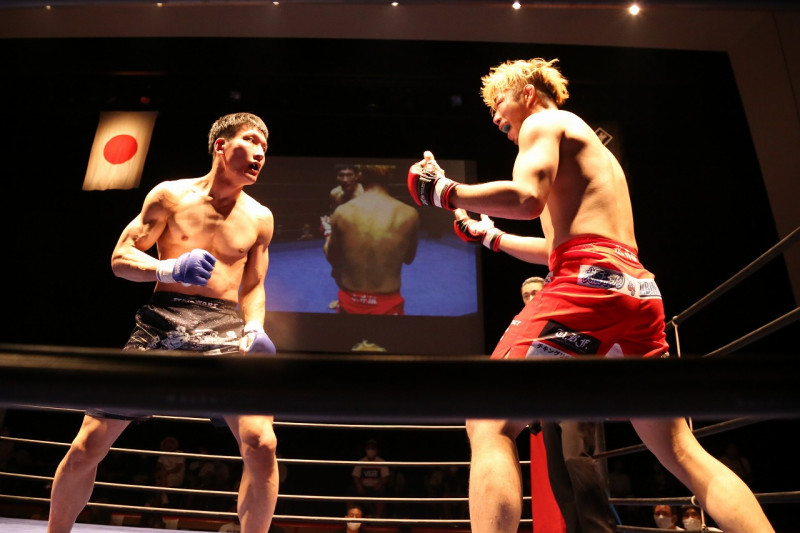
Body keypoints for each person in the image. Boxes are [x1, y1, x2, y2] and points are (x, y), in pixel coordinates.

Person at [407, 58, 773, 533]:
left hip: (590, 284)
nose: (495, 116)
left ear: (528, 93)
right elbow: (558, 248)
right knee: (683, 451)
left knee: (488, 417)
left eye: (499, 101)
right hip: (637, 289)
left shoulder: (543, 123)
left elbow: (526, 199)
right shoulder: (586, 149)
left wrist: (445, 191)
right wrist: (490, 236)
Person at [47, 112, 279, 533]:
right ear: (221, 146)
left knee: (262, 444)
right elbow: (120, 258)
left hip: (225, 327)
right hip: (163, 320)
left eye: (265, 145)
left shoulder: (260, 217)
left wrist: (254, 327)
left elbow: (253, 285)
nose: (260, 152)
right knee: (88, 444)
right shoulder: (170, 196)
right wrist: (168, 268)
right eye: (251, 140)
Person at [456, 217, 617, 532]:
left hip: (574, 391)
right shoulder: (528, 320)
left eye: (535, 292)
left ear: (547, 285)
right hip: (546, 403)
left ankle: (601, 529)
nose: (530, 297)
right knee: (559, 476)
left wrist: (486, 230)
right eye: (526, 294)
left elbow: (534, 214)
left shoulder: (568, 300)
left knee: (576, 461)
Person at [324, 164, 420, 315]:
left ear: (360, 176)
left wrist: (328, 233)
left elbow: (333, 258)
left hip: (350, 302)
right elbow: (409, 259)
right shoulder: (409, 214)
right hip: (389, 304)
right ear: (390, 177)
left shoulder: (342, 212)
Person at [349, 439, 391, 518]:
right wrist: (359, 486)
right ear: (365, 450)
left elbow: (386, 476)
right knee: (351, 491)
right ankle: (349, 515)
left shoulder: (381, 461)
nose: (370, 451)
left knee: (382, 492)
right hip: (363, 486)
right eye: (368, 448)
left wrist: (379, 484)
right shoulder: (361, 461)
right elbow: (355, 476)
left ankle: (377, 517)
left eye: (373, 448)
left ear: (377, 450)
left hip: (376, 487)